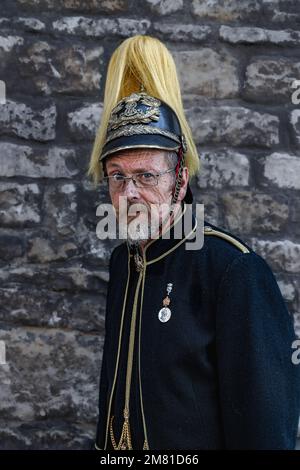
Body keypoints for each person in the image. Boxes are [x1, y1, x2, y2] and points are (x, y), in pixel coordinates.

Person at [88, 35, 300, 450]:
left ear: (180, 180)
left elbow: (266, 429)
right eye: (118, 176)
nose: (129, 193)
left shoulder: (233, 270)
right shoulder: (123, 262)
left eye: (146, 176)